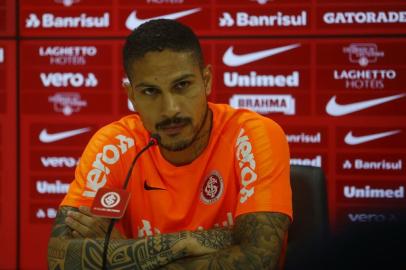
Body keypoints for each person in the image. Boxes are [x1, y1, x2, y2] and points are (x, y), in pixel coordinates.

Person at [47, 19, 292, 270]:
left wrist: (122, 249)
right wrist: (188, 244)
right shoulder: (114, 145)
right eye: (150, 92)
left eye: (182, 85)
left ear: (206, 80)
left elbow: (259, 260)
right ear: (131, 96)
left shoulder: (252, 135)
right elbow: (61, 259)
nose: (170, 110)